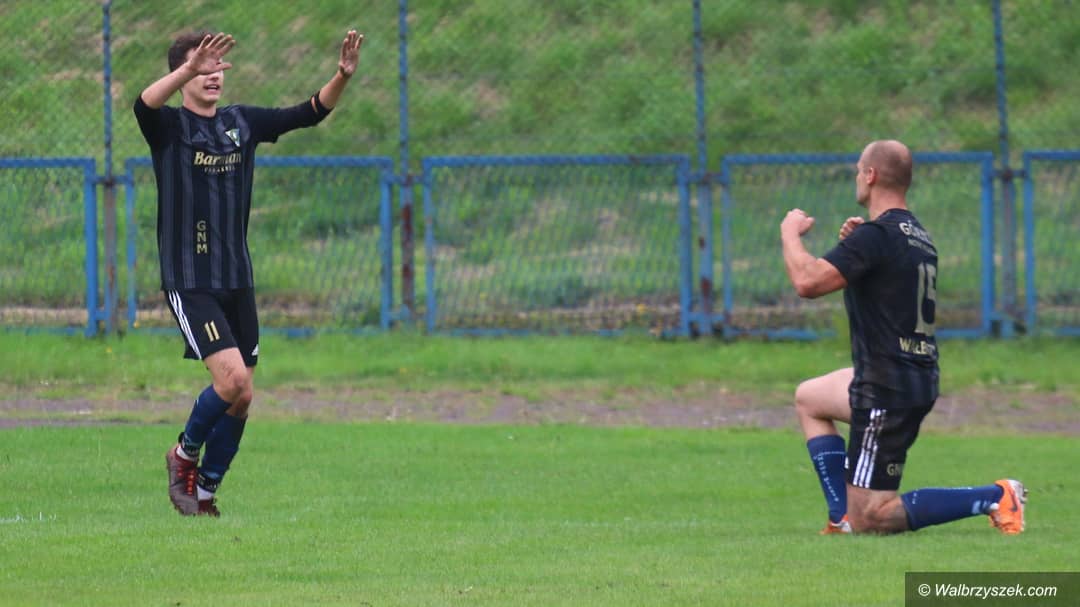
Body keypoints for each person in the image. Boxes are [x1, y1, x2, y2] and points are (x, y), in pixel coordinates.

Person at [134, 29, 364, 516]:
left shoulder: (242, 122)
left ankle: (205, 492)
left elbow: (308, 112)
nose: (213, 75)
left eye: (218, 67)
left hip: (237, 277)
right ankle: (183, 455)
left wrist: (341, 77)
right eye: (204, 67)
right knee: (231, 379)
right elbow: (143, 103)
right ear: (184, 74)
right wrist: (187, 67)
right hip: (190, 279)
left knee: (243, 397)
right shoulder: (169, 127)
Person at [780, 139, 1026, 535]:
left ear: (871, 175)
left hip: (887, 387)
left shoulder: (877, 236)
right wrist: (853, 248)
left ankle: (997, 496)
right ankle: (841, 518)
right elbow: (883, 286)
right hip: (908, 374)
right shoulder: (916, 236)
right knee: (809, 397)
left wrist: (790, 234)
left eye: (858, 170)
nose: (856, 177)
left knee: (874, 517)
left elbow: (807, 282)